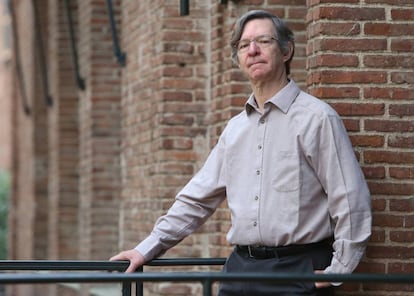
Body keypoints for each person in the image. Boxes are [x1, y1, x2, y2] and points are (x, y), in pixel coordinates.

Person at [110, 10, 372, 296]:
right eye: (244, 45)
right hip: (239, 271)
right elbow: (195, 200)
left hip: (297, 271)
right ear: (238, 58)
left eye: (263, 41)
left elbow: (349, 198)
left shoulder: (317, 119)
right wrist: (145, 249)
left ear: (286, 51)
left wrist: (340, 268)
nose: (253, 50)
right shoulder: (234, 130)